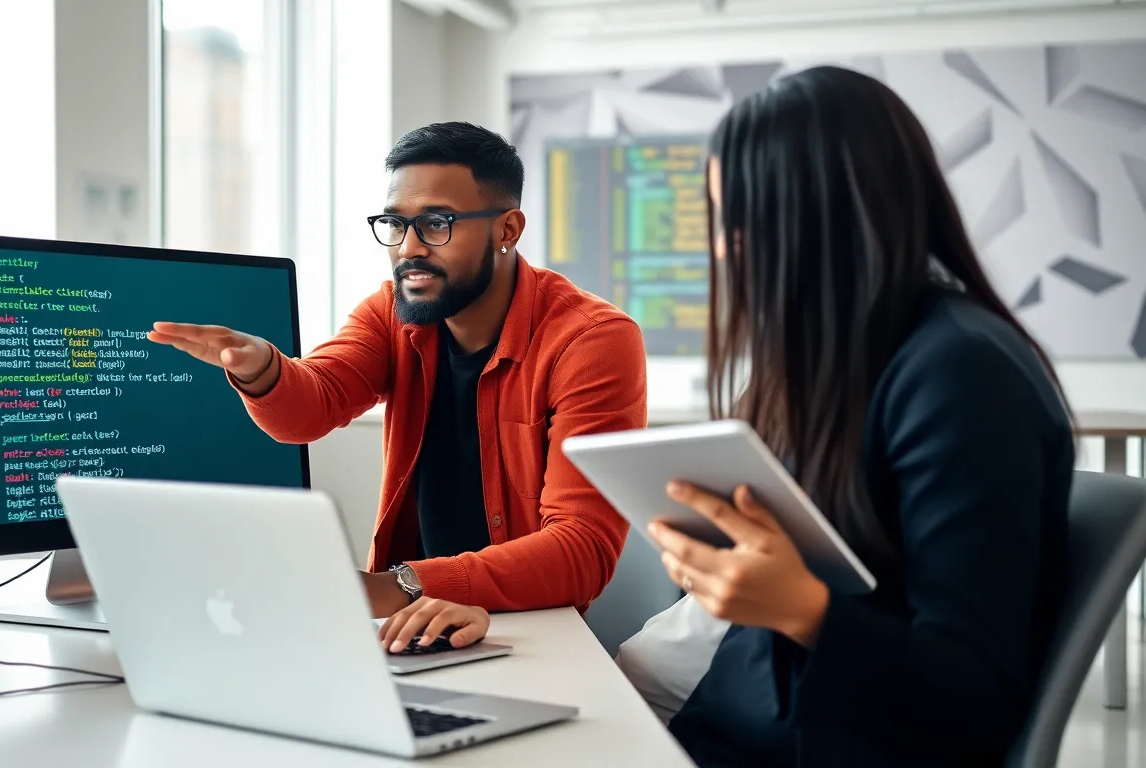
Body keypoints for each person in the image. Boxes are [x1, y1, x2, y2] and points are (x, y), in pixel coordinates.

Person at [643, 65, 1075, 766]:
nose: (724, 249)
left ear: (819, 216)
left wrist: (803, 610)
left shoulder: (962, 374)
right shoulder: (846, 358)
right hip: (739, 728)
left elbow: (976, 693)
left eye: (739, 223)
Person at [149, 122, 648, 651]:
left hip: (529, 633)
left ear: (507, 229)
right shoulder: (392, 312)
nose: (409, 249)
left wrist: (398, 586)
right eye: (395, 223)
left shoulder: (591, 341)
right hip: (405, 628)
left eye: (436, 223)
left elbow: (581, 551)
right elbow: (311, 407)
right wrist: (261, 369)